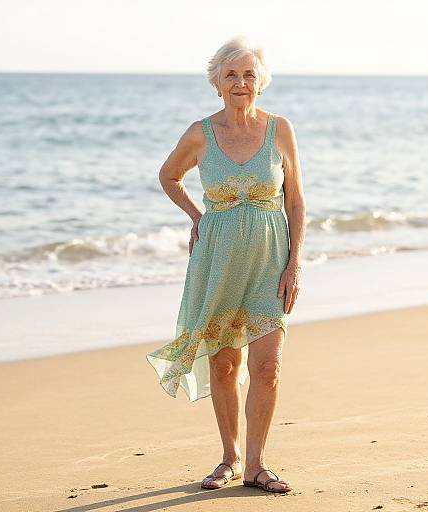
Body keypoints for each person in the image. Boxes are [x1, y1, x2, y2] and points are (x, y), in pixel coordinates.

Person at [146, 35, 306, 493]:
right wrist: (197, 217)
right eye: (231, 75)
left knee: (268, 366)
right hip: (218, 262)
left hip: (270, 262)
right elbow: (168, 176)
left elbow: (295, 201)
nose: (240, 82)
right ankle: (230, 459)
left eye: (249, 74)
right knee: (223, 366)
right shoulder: (201, 133)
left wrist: (295, 264)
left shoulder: (281, 130)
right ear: (217, 83)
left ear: (261, 82)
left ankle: (257, 464)